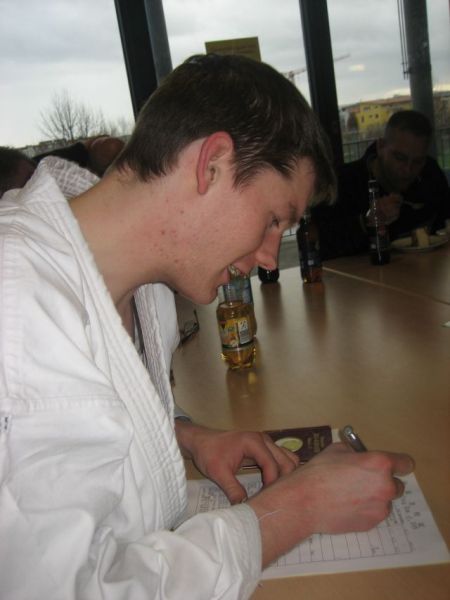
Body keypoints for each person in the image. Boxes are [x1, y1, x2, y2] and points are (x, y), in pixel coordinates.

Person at [0, 54, 414, 600]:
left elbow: (82, 411)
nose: (270, 258)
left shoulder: (139, 280)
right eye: (274, 220)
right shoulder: (19, 307)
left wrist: (183, 434)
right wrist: (297, 508)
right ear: (213, 163)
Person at [312, 109, 450, 260]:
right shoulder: (341, 183)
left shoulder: (430, 174)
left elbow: (445, 221)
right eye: (400, 158)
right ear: (381, 146)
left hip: (426, 270)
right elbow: (317, 245)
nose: (408, 169)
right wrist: (368, 221)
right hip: (357, 274)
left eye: (417, 162)